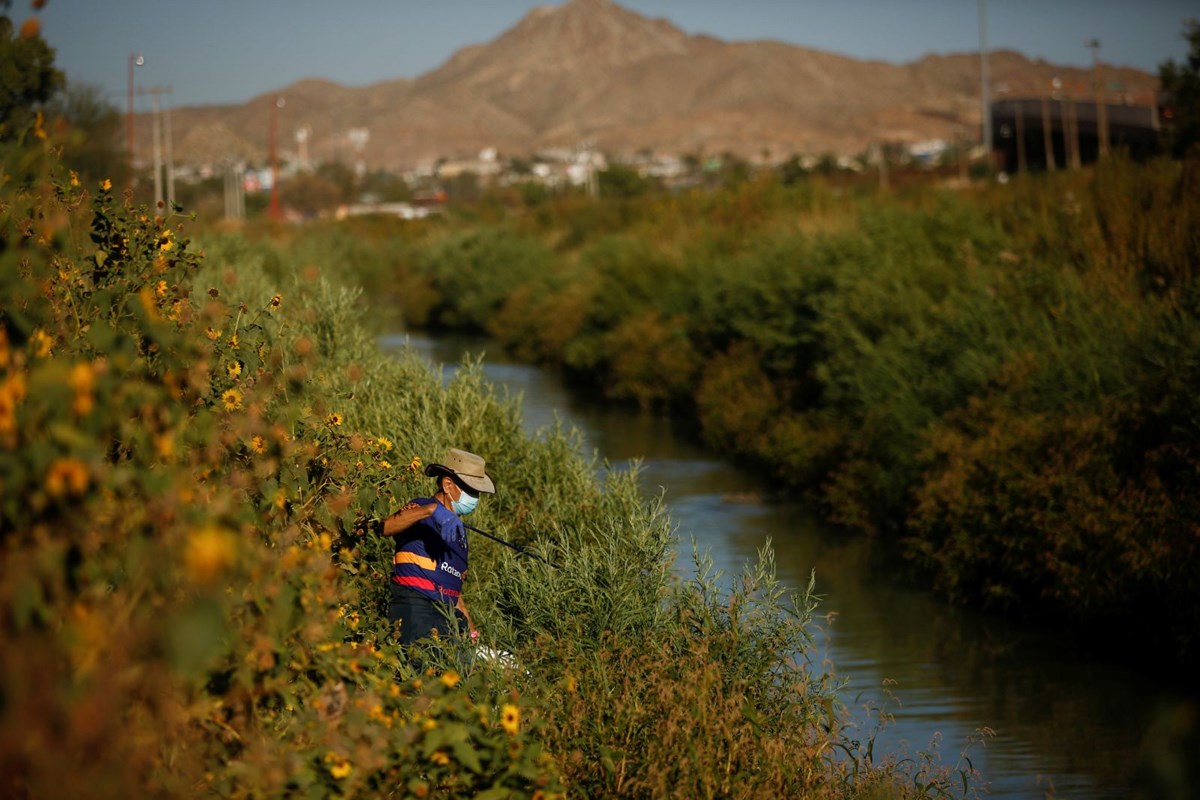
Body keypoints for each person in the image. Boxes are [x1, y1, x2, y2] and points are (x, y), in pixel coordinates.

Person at [378, 447, 495, 646]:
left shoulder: (458, 531)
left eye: (477, 492)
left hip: (448, 615)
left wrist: (472, 633)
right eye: (471, 490)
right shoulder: (419, 508)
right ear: (448, 485)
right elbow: (386, 527)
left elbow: (453, 587)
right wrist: (431, 510)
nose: (475, 498)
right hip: (417, 608)